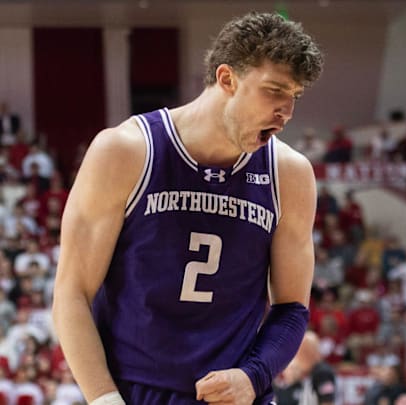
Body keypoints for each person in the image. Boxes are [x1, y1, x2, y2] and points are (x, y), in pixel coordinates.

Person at [52, 12, 323, 405]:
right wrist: (103, 398)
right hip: (135, 392)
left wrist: (253, 376)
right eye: (274, 90)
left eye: (294, 96)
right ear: (227, 79)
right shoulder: (126, 151)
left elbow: (292, 309)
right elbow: (71, 293)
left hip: (237, 396)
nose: (287, 112)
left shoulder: (290, 174)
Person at [273, 331, 336, 405]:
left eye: (302, 350)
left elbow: (327, 402)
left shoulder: (323, 373)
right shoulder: (308, 372)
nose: (298, 355)